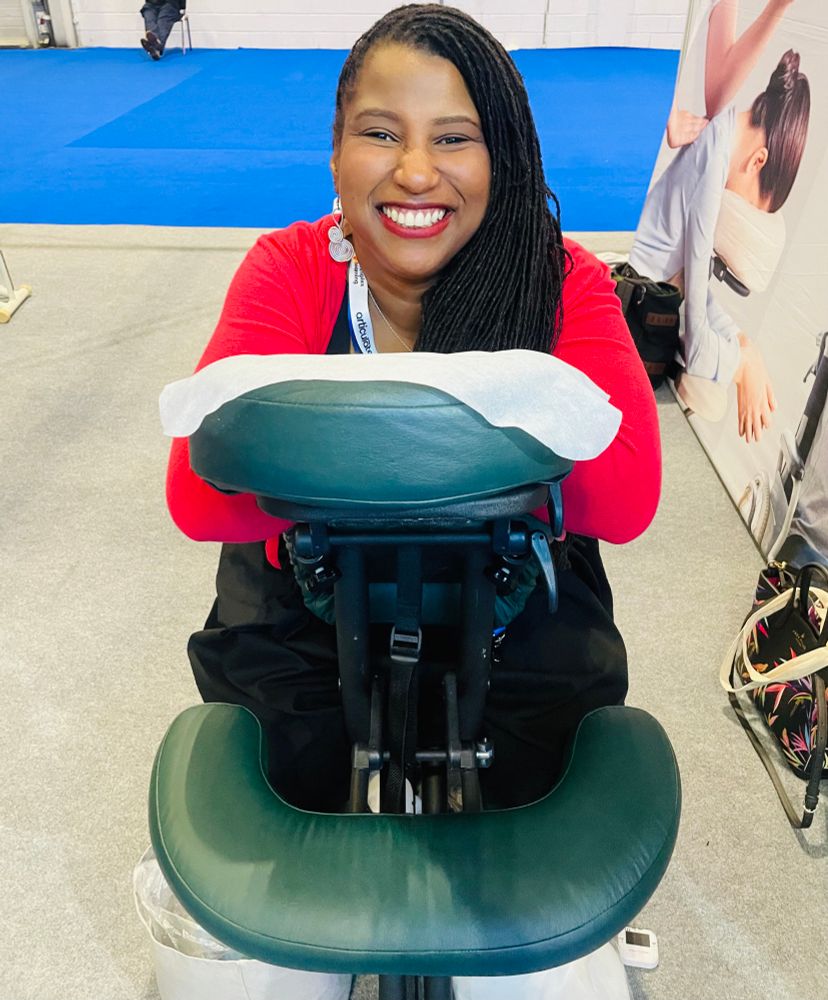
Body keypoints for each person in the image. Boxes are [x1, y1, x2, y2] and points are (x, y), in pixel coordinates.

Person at [165, 3, 660, 814]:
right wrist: (486, 448)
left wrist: (318, 447)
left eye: (454, 138)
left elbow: (626, 497)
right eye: (381, 133)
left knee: (542, 780)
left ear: (504, 158)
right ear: (335, 155)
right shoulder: (291, 270)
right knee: (281, 776)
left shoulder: (559, 278)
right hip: (308, 587)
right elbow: (197, 496)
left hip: (509, 585)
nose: (418, 173)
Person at [630, 47, 810, 443]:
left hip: (650, 287)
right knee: (710, 393)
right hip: (632, 302)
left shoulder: (721, 130)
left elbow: (693, 281)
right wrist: (741, 363)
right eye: (754, 203)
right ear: (758, 161)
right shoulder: (714, 164)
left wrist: (744, 344)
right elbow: (696, 344)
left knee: (714, 381)